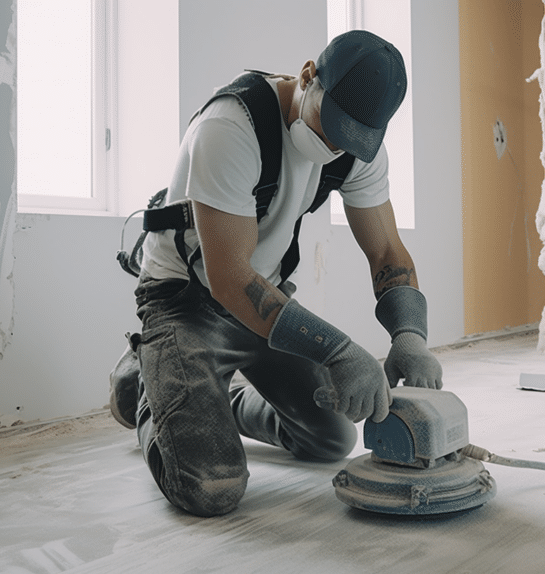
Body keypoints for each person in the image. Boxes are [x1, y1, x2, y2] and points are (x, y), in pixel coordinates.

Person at [109, 30, 443, 517]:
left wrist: (410, 335)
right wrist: (337, 349)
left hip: (260, 300)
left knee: (329, 439)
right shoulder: (231, 126)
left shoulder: (358, 150)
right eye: (330, 125)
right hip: (186, 300)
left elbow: (388, 250)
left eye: (351, 138)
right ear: (308, 76)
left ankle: (215, 398)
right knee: (210, 487)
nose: (334, 146)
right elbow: (228, 280)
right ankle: (147, 386)